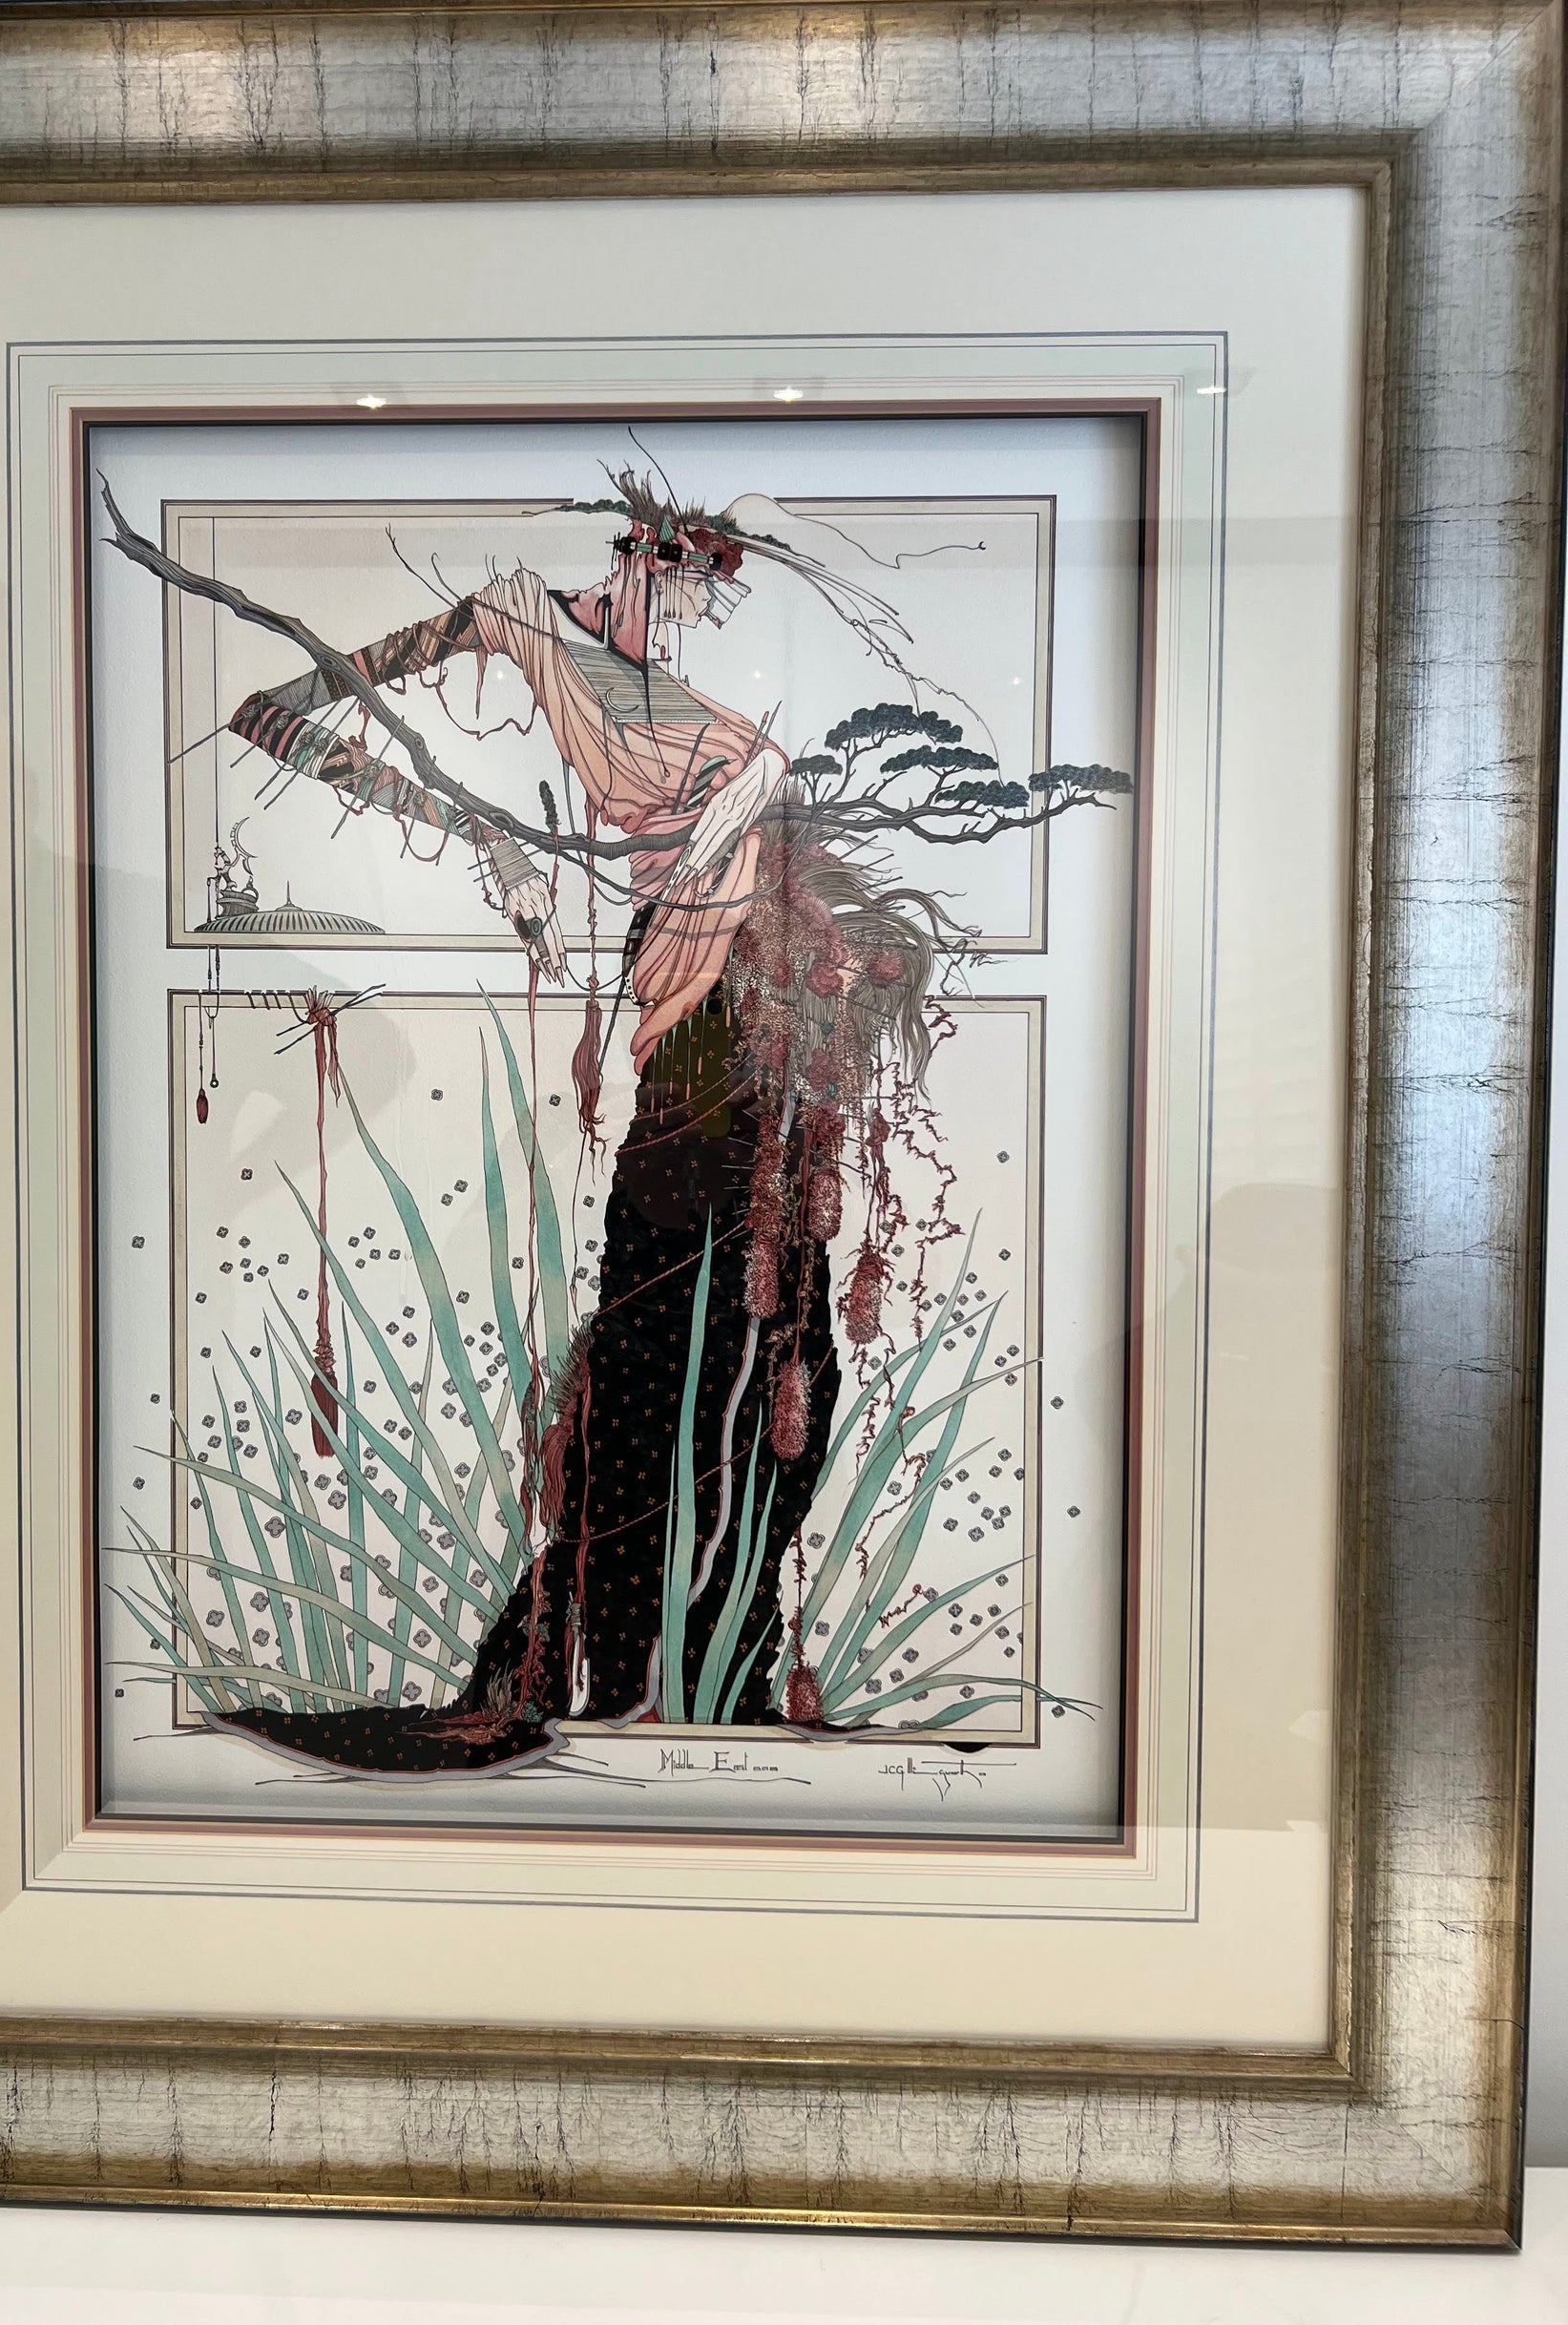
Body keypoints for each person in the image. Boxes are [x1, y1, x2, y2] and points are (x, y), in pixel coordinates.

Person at [106, 474, 987, 1771]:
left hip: (744, 993)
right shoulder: (517, 626)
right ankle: (611, 1679)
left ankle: (705, 1670)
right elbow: (275, 713)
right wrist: (483, 837)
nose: (684, 623)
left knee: (769, 1361)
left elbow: (758, 833)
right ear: (638, 561)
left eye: (703, 604)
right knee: (662, 1369)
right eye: (680, 592)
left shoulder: (700, 731)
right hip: (693, 1005)